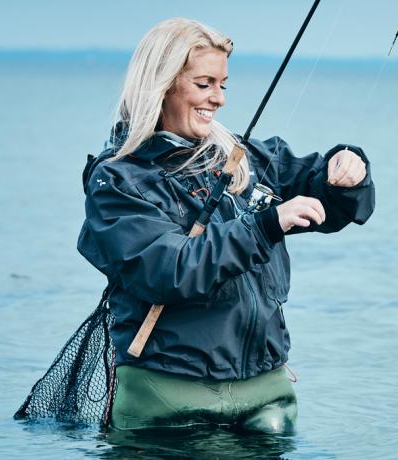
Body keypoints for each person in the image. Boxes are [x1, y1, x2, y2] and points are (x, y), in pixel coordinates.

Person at [77, 17, 375, 434]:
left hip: (265, 390)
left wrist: (345, 173)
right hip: (168, 395)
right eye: (204, 84)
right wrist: (267, 224)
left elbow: (324, 192)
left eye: (223, 85)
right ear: (161, 86)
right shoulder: (117, 180)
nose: (218, 99)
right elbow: (168, 270)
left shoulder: (239, 154)